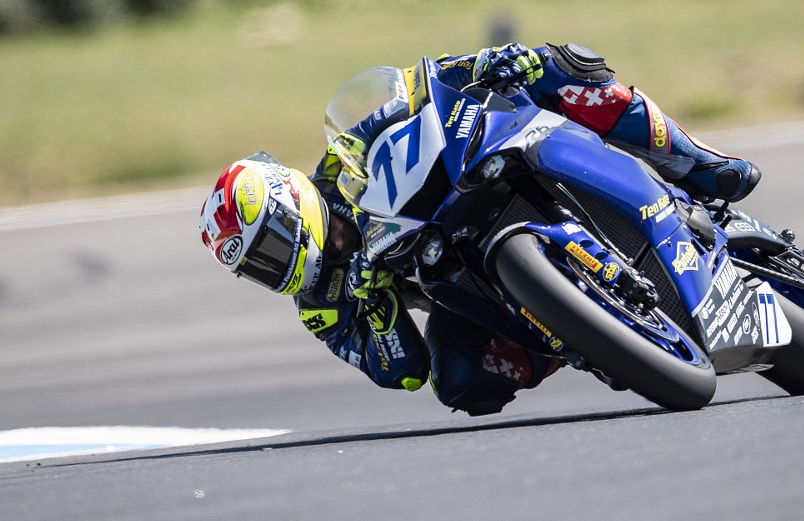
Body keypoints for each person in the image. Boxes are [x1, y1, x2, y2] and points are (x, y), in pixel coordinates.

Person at [198, 42, 760, 415]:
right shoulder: (320, 305)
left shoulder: (339, 161)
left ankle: (699, 163)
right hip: (460, 279)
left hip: (469, 180)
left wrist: (490, 63)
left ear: (290, 202)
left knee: (560, 64)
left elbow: (418, 88)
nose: (271, 268)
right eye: (256, 268)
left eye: (267, 247)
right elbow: (400, 370)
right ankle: (579, 341)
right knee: (462, 381)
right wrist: (373, 298)